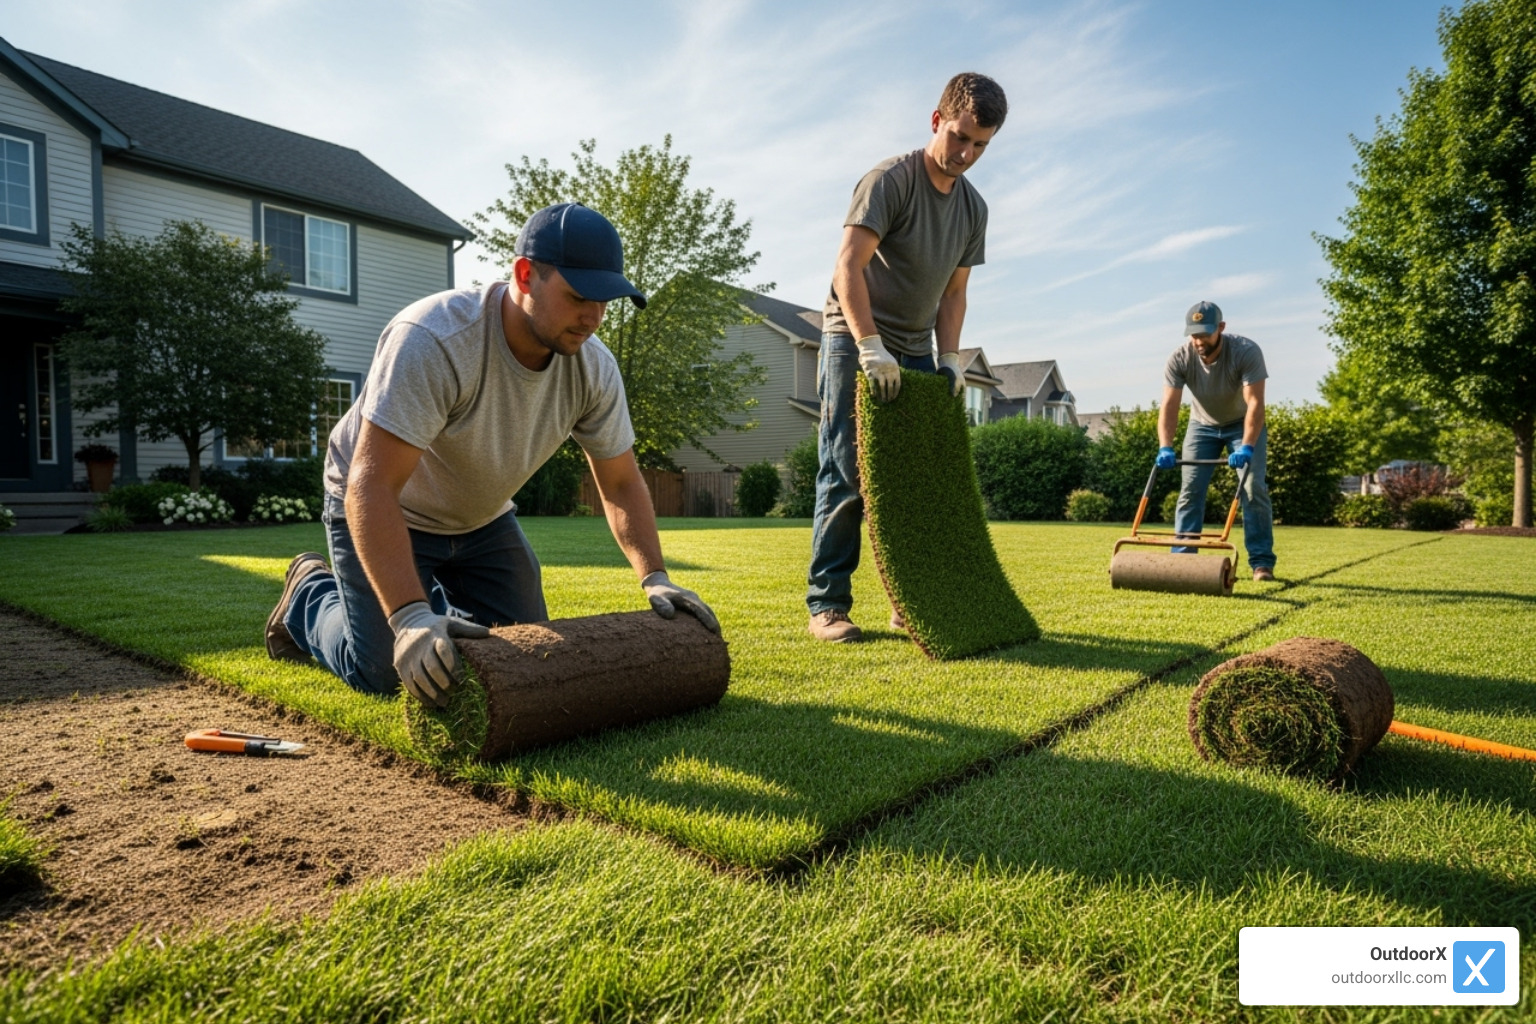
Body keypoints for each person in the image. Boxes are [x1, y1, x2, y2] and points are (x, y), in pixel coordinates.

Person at [265, 202, 719, 708]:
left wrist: (654, 576)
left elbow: (620, 482)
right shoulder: (433, 339)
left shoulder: (594, 369)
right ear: (526, 275)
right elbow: (371, 486)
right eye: (578, 297)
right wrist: (410, 617)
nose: (593, 317)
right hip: (386, 506)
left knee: (527, 661)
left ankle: (428, 599)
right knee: (387, 673)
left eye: (605, 301)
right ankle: (308, 597)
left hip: (482, 521)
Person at [807, 72, 1008, 642]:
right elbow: (848, 269)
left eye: (981, 146)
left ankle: (911, 597)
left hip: (918, 345)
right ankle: (828, 603)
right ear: (936, 120)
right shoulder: (889, 181)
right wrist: (869, 345)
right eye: (960, 137)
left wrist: (950, 360)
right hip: (854, 333)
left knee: (915, 477)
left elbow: (954, 292)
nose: (966, 154)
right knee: (847, 468)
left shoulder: (974, 210)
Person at [1157, 300, 1276, 582]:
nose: (1198, 341)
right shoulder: (1180, 357)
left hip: (1241, 424)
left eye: (1204, 334)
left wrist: (1247, 445)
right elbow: (1169, 405)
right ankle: (1183, 560)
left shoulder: (1246, 351)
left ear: (1220, 328)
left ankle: (1261, 564)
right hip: (1202, 426)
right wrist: (1165, 445)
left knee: (1252, 488)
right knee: (1190, 491)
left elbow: (1255, 403)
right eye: (1193, 334)